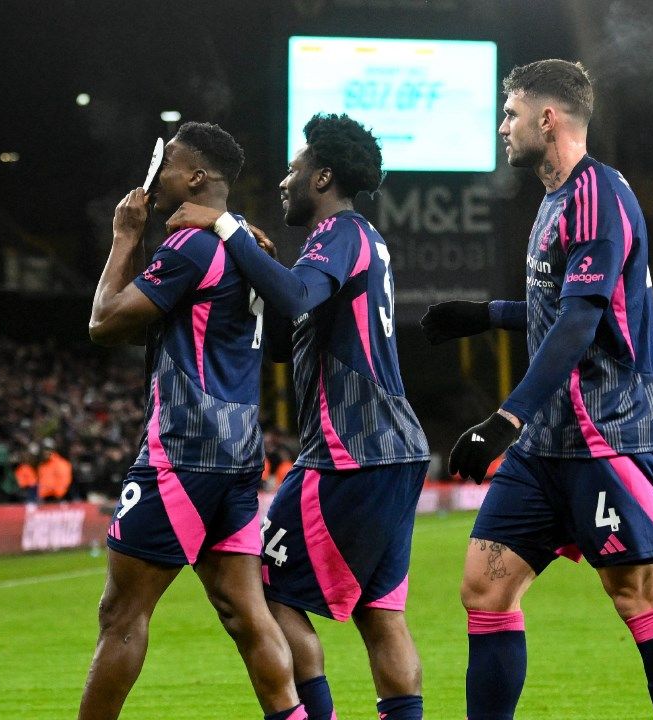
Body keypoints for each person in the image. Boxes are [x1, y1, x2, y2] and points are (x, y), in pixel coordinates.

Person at [420, 60, 653, 719]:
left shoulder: (599, 195)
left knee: (640, 594)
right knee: (484, 589)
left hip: (603, 436)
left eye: (511, 114)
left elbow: (582, 319)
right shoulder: (554, 202)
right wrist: (486, 314)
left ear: (547, 118)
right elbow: (559, 305)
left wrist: (506, 417)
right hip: (547, 445)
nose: (503, 128)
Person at [168, 113, 430, 720]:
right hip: (394, 449)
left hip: (349, 453)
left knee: (263, 591)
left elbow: (297, 297)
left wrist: (227, 226)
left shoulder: (338, 232)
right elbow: (296, 314)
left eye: (294, 169)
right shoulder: (368, 239)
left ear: (323, 177)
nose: (285, 181)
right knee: (381, 613)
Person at [77, 121, 303, 720]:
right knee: (245, 614)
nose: (156, 180)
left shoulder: (191, 245)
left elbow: (104, 322)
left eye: (168, 166)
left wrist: (126, 235)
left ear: (197, 177)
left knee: (121, 615)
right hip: (236, 459)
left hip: (180, 454)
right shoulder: (245, 249)